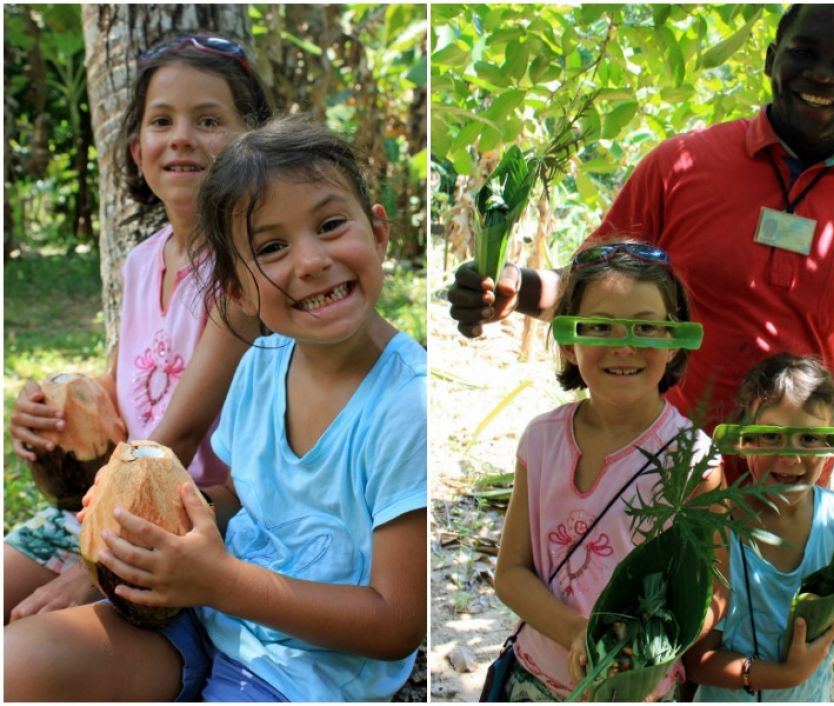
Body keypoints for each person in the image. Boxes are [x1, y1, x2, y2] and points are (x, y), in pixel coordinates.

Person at [4, 116, 428, 701]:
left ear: (378, 231)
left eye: (330, 225)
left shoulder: (408, 405)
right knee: (19, 663)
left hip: (306, 672)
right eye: (271, 247)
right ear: (236, 290)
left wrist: (222, 582)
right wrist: (157, 512)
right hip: (209, 617)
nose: (309, 261)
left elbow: (397, 623)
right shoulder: (261, 361)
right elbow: (240, 496)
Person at [447, 4, 834, 491]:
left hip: (790, 492)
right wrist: (514, 289)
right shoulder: (681, 165)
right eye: (803, 53)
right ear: (770, 58)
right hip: (659, 478)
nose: (823, 76)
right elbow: (593, 291)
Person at [4, 33, 272, 625]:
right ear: (135, 147)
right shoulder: (141, 259)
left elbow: (177, 435)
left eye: (208, 120)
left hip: (192, 521)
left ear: (252, 143)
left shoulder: (246, 269)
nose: (181, 136)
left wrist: (89, 568)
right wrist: (48, 404)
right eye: (161, 121)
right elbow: (130, 386)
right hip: (110, 502)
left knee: (27, 653)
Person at [493, 241, 721, 701]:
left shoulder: (695, 459)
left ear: (675, 343)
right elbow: (511, 573)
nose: (625, 345)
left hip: (639, 691)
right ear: (569, 343)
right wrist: (577, 633)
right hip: (534, 679)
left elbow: (714, 593)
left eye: (646, 327)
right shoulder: (541, 441)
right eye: (600, 326)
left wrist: (645, 652)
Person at [683, 353, 834, 701]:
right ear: (743, 441)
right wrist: (783, 675)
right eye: (772, 437)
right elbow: (699, 662)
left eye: (809, 439)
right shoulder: (720, 528)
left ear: (830, 444)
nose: (790, 457)